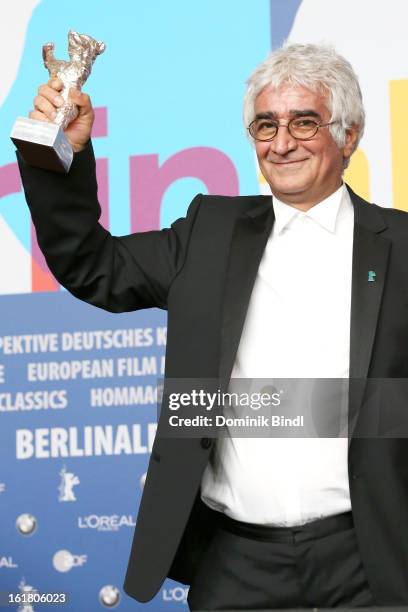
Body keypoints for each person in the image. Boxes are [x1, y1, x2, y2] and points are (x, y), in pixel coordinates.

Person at [17, 43, 408, 610]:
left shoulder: (400, 247)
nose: (281, 143)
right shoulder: (209, 230)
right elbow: (92, 266)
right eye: (265, 125)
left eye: (304, 122)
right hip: (236, 564)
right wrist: (60, 157)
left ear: (349, 136)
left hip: (371, 561)